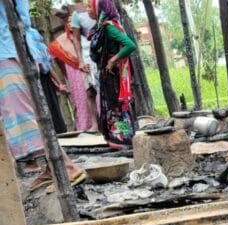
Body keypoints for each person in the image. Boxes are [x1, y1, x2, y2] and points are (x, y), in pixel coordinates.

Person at [0, 0, 85, 191]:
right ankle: (51, 168)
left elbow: (22, 18)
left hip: (5, 52)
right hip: (9, 51)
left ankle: (66, 167)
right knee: (15, 115)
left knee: (22, 115)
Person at [87, 0, 136, 149]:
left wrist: (113, 60)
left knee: (117, 106)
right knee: (112, 106)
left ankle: (124, 139)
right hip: (107, 74)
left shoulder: (109, 28)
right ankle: (117, 138)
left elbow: (130, 45)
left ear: (100, 9)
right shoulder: (101, 28)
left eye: (90, 6)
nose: (88, 10)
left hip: (112, 74)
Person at [69, 0, 99, 131]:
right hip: (87, 56)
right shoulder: (77, 14)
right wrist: (80, 60)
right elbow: (75, 38)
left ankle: (110, 122)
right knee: (90, 91)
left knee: (107, 90)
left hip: (103, 54)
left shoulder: (101, 7)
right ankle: (95, 124)